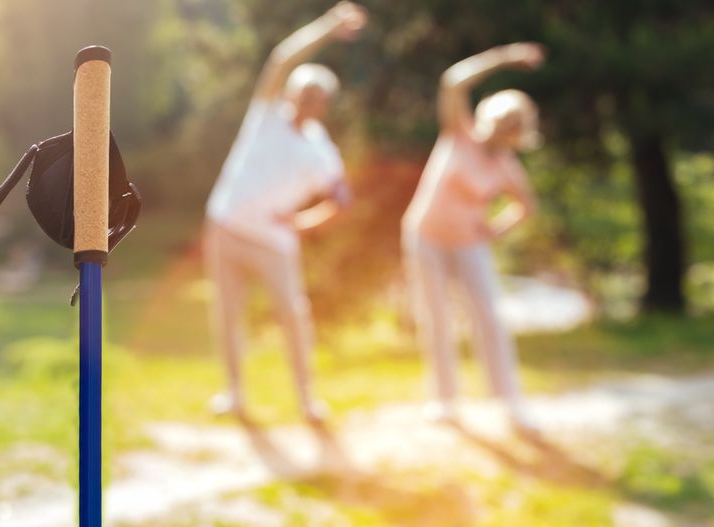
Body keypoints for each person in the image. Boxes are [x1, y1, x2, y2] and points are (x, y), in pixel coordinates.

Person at [204, 2, 368, 422]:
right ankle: (234, 394)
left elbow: (341, 201)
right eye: (302, 92)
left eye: (317, 97)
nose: (307, 101)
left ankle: (307, 399)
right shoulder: (265, 116)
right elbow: (282, 58)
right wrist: (330, 26)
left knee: (293, 319)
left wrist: (301, 224)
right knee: (227, 315)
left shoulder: (321, 151)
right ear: (292, 93)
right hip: (224, 227)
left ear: (325, 105)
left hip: (274, 243)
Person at [402, 43, 545, 431]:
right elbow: (453, 82)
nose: (505, 130)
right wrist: (507, 57)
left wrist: (495, 229)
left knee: (488, 318)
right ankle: (445, 401)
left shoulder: (507, 167)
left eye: (514, 126)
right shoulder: (458, 134)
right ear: (490, 117)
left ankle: (509, 402)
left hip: (469, 244)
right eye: (502, 120)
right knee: (437, 318)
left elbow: (526, 207)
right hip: (425, 236)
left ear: (519, 133)